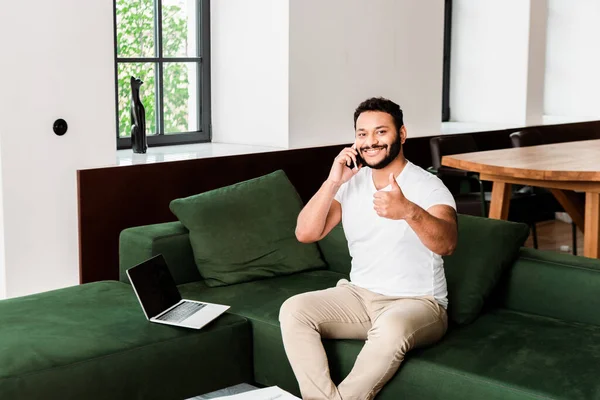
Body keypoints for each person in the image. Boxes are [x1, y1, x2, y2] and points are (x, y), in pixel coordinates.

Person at [279, 97, 458, 400]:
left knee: (391, 328)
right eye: (362, 134)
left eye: (380, 132)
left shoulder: (428, 186)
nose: (370, 142)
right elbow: (306, 233)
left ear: (401, 134)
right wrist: (333, 181)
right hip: (359, 295)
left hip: (419, 303)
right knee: (294, 310)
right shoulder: (352, 183)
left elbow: (448, 244)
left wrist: (409, 211)